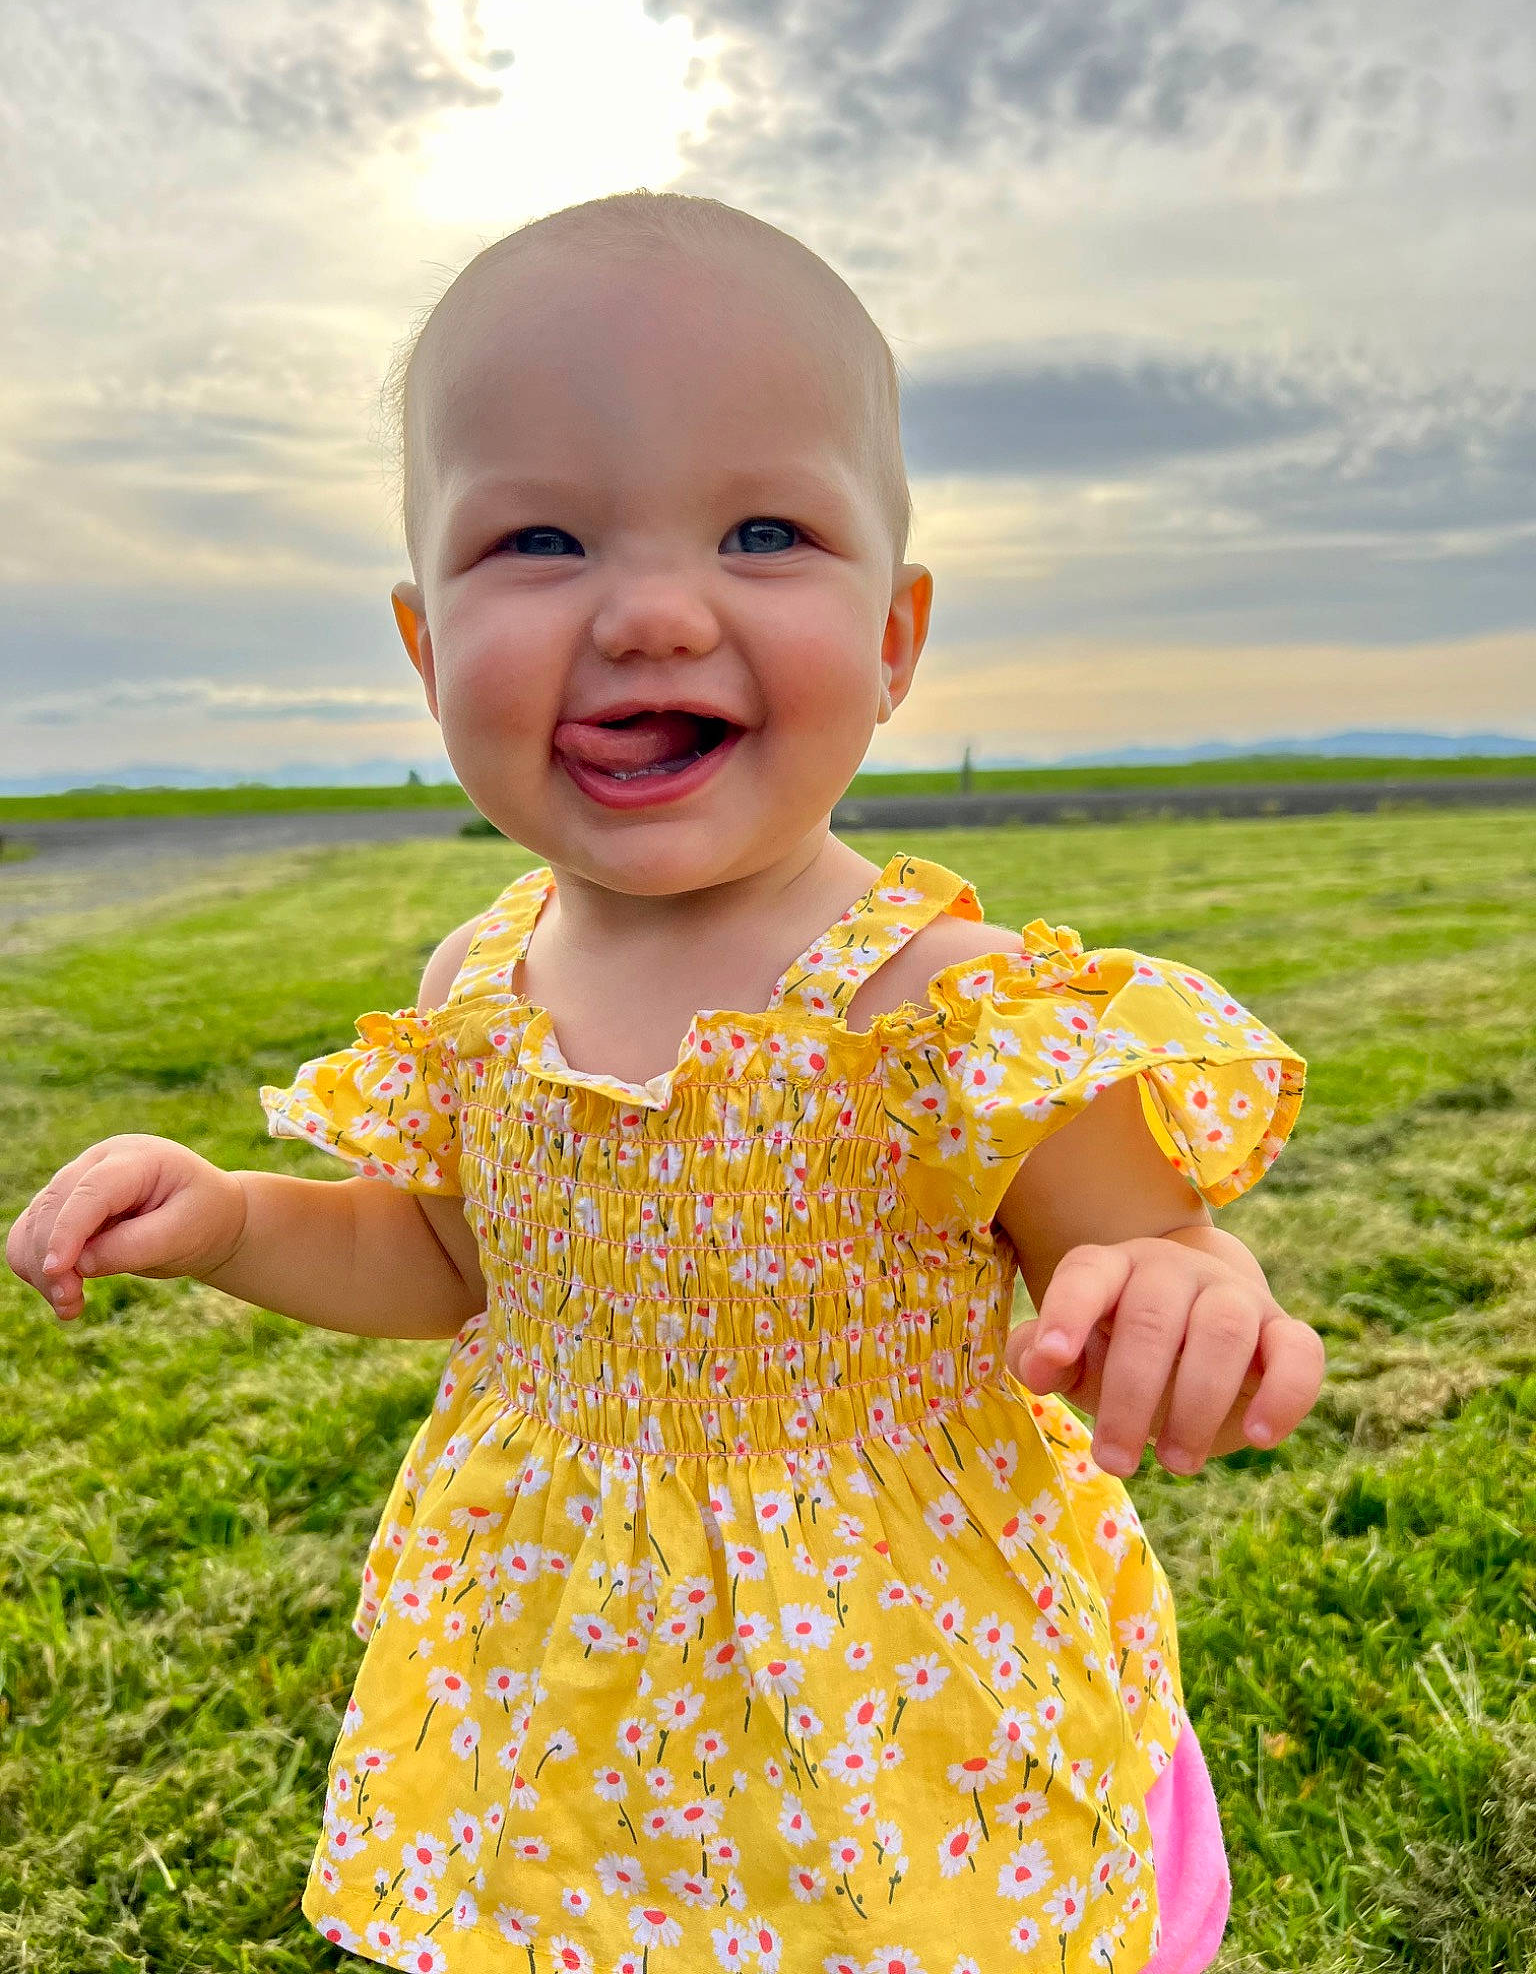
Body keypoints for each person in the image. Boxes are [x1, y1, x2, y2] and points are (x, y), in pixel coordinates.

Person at [7, 191, 1323, 1974]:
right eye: (538, 540)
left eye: (764, 529)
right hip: (572, 1674)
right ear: (421, 648)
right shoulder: (477, 987)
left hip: (891, 1675)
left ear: (896, 637)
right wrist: (235, 1219)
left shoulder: (948, 1006)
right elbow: (458, 1262)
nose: (648, 612)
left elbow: (1154, 1242)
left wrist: (1190, 1289)